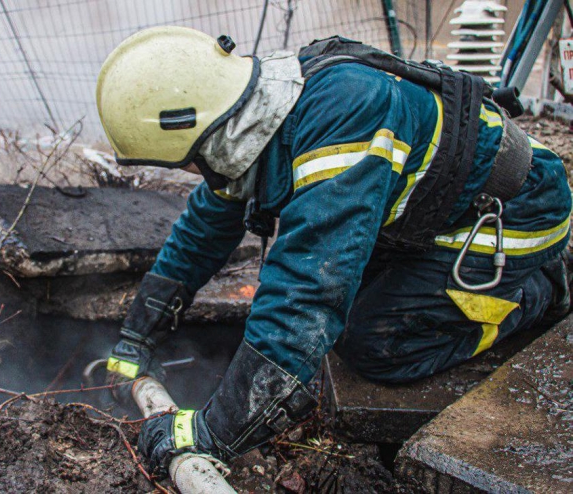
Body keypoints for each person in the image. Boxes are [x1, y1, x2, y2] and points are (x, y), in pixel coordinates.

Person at [95, 26, 572, 474]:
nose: (197, 172)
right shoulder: (252, 115)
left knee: (375, 343)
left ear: (202, 131)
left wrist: (211, 433)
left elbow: (308, 293)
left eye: (190, 160)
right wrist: (137, 338)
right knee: (343, 317)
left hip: (514, 215)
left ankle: (544, 288)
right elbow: (201, 232)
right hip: (431, 215)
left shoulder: (342, 113)